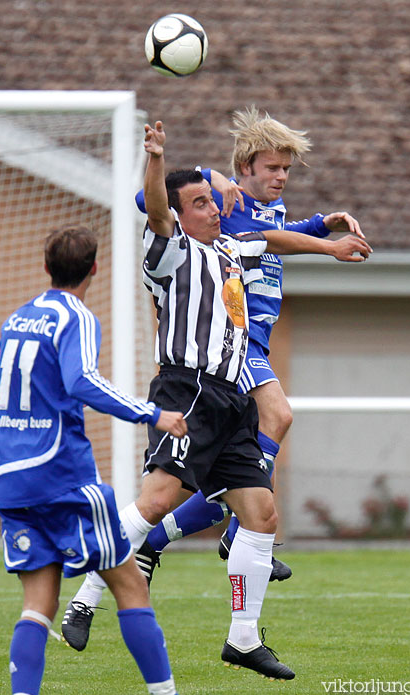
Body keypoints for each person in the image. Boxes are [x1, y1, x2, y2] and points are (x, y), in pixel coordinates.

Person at [62, 121, 372, 680]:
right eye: (202, 203)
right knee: (156, 500)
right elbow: (154, 205)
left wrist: (327, 240)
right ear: (181, 216)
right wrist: (162, 161)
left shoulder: (232, 244)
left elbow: (275, 238)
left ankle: (244, 639)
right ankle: (85, 594)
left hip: (232, 398)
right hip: (192, 391)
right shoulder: (170, 250)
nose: (213, 207)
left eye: (213, 201)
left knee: (262, 513)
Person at [131, 106, 367, 581]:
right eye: (272, 168)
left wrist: (324, 222)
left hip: (251, 343)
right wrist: (210, 175)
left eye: (286, 168)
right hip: (230, 349)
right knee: (278, 415)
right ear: (244, 169)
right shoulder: (227, 206)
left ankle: (158, 542)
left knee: (233, 491)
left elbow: (277, 233)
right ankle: (236, 531)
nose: (281, 177)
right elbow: (146, 199)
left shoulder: (266, 212)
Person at [0, 225, 196, 695]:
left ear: (46, 265)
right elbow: (82, 382)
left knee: (38, 604)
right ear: (95, 267)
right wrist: (152, 412)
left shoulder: (17, 319)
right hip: (62, 477)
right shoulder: (76, 317)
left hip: (10, 480)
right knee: (131, 586)